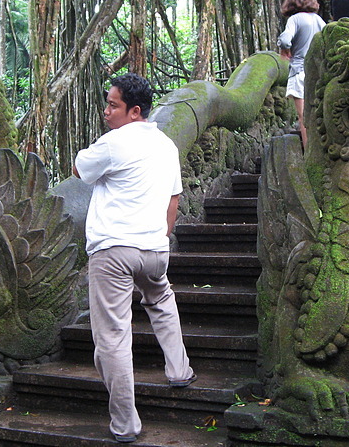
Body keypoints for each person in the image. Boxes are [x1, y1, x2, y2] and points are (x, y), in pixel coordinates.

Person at [73, 73, 196, 444]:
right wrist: (162, 237)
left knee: (112, 336)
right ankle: (179, 370)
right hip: (155, 249)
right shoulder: (167, 145)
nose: (106, 111)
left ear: (134, 111)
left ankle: (125, 424)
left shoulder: (113, 143)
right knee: (161, 300)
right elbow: (173, 201)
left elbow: (79, 170)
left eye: (113, 105)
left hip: (114, 251)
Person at [277, 0, 326, 147]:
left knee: (304, 117)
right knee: (319, 115)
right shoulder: (318, 20)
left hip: (299, 72)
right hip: (319, 74)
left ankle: (309, 156)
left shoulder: (295, 19)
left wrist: (284, 50)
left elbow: (285, 39)